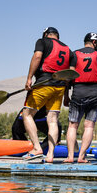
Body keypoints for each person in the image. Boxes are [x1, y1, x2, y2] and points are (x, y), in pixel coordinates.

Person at [23, 27, 76, 163]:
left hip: (43, 84)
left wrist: (29, 78)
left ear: (46, 35)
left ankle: (36, 148)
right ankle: (50, 155)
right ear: (57, 36)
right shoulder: (68, 50)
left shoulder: (42, 41)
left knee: (27, 114)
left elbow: (37, 56)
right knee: (52, 120)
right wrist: (66, 95)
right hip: (59, 87)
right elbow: (69, 75)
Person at [64, 32, 97, 163]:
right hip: (95, 94)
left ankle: (69, 157)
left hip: (77, 92)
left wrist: (66, 95)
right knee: (89, 126)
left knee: (73, 125)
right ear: (95, 43)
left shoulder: (74, 54)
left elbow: (68, 77)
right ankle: (81, 157)